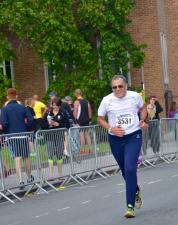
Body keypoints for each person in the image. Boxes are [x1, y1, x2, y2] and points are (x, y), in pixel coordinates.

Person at [97, 75, 148, 218]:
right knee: (125, 170)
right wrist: (111, 129)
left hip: (133, 136)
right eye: (114, 87)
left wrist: (143, 119)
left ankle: (130, 206)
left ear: (126, 86)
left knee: (130, 168)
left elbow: (143, 108)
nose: (117, 89)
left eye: (120, 86)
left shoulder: (134, 96)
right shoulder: (107, 100)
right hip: (115, 139)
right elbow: (100, 118)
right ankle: (136, 190)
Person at [0, 88, 34, 188]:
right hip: (23, 134)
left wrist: (5, 132)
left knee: (17, 157)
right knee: (26, 156)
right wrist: (26, 128)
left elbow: (4, 123)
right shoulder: (22, 107)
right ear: (16, 96)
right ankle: (29, 176)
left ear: (7, 97)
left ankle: (20, 180)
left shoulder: (4, 109)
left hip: (11, 136)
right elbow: (31, 120)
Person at [43, 98, 70, 178]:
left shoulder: (63, 113)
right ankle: (51, 175)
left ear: (59, 105)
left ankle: (60, 174)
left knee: (59, 155)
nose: (53, 107)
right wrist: (48, 124)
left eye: (55, 105)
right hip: (49, 136)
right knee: (50, 155)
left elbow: (67, 125)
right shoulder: (48, 113)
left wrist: (58, 124)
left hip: (59, 136)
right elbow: (42, 124)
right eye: (53, 105)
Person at [73, 89, 92, 154]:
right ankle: (90, 149)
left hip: (80, 121)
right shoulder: (87, 101)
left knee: (81, 135)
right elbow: (90, 111)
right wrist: (90, 120)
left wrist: (75, 121)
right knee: (87, 135)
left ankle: (82, 150)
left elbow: (75, 112)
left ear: (76, 94)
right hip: (86, 120)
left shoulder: (76, 102)